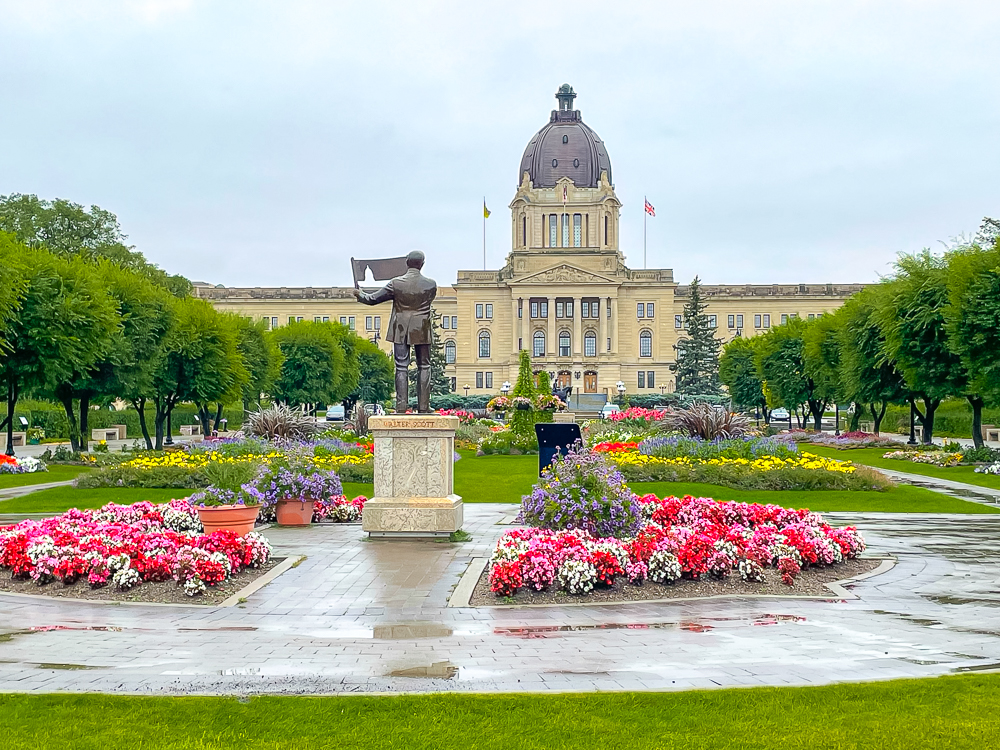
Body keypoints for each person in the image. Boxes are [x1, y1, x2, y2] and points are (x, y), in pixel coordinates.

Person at [353, 250, 437, 413]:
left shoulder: (396, 283)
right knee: (424, 366)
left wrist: (359, 294)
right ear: (423, 264)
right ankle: (424, 407)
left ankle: (401, 406)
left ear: (406, 263)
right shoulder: (431, 284)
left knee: (401, 367)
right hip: (422, 327)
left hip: (400, 328)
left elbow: (372, 299)